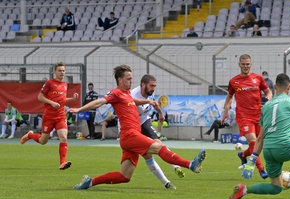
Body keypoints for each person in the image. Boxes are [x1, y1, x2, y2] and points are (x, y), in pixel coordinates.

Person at [69, 65, 205, 190]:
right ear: (120, 79)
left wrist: (147, 101)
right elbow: (100, 102)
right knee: (158, 146)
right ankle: (190, 164)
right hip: (129, 135)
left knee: (124, 176)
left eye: (131, 78)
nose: (131, 81)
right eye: (128, 79)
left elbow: (132, 101)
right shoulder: (116, 93)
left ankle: (90, 182)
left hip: (130, 138)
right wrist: (80, 109)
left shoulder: (127, 94)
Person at [20, 62, 79, 170]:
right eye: (60, 70)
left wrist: (72, 99)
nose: (62, 72)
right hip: (49, 117)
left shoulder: (65, 85)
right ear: (55, 72)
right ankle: (30, 135)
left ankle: (62, 162)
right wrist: (51, 102)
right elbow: (40, 97)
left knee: (63, 137)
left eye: (63, 70)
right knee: (43, 141)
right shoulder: (49, 83)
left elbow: (61, 100)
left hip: (60, 116)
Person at [130, 74, 185, 190]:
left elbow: (154, 102)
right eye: (151, 86)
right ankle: (166, 183)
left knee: (159, 143)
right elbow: (130, 102)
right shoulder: (133, 94)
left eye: (155, 86)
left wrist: (160, 112)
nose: (153, 88)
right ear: (143, 85)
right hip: (133, 126)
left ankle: (176, 167)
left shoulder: (150, 93)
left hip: (144, 122)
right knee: (147, 155)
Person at [223, 54, 273, 179]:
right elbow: (229, 96)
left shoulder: (258, 78)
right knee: (253, 141)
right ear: (239, 64)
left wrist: (269, 96)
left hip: (258, 115)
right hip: (243, 116)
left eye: (248, 64)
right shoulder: (234, 81)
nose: (246, 66)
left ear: (251, 64)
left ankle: (243, 155)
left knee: (259, 144)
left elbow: (268, 91)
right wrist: (226, 110)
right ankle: (261, 169)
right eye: (243, 64)